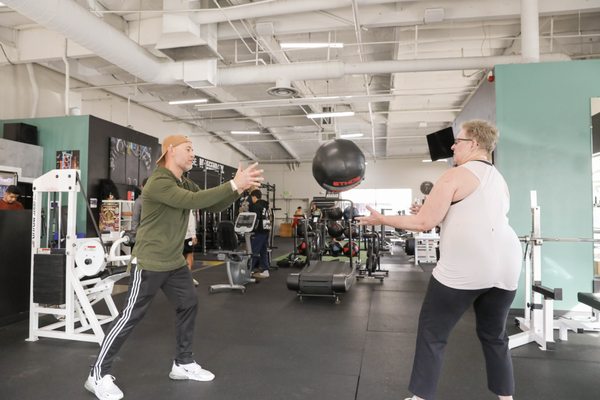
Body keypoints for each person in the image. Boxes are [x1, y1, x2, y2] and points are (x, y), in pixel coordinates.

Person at [85, 135, 263, 400]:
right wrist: (233, 183)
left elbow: (209, 202)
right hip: (150, 261)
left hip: (174, 261)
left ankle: (182, 363)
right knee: (129, 317)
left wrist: (236, 189)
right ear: (170, 150)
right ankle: (96, 374)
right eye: (188, 149)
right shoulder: (159, 181)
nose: (193, 154)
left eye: (193, 149)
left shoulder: (184, 181)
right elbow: (191, 201)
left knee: (188, 303)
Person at [356, 120, 521, 400]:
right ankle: (506, 397)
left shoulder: (454, 175)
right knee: (495, 336)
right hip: (507, 265)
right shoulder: (499, 179)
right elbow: (473, 214)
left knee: (433, 332)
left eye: (459, 141)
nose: (453, 146)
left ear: (475, 144)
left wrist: (381, 218)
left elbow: (422, 223)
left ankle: (420, 397)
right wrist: (431, 209)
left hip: (466, 267)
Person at [248, 189, 271, 279]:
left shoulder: (255, 206)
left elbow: (255, 219)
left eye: (251, 197)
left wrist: (252, 229)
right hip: (266, 229)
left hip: (260, 231)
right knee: (263, 250)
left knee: (253, 251)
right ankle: (265, 270)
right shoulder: (265, 205)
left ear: (254, 197)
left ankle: (248, 271)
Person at [184, 210, 199, 286]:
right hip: (187, 236)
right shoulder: (188, 209)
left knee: (182, 257)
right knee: (189, 256)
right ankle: (188, 278)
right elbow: (190, 222)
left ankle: (186, 278)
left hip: (178, 236)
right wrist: (193, 235)